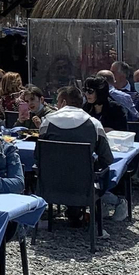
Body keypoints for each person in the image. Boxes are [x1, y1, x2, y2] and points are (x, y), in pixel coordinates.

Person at [40, 83, 120, 228]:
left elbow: (38, 156)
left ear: (63, 103)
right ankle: (81, 214)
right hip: (84, 187)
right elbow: (107, 158)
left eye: (57, 102)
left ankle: (69, 214)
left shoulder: (47, 122)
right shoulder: (94, 124)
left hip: (51, 185)